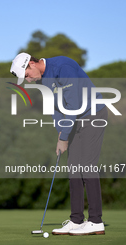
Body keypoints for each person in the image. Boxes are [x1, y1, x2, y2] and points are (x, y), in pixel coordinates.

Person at [10, 53, 108, 235]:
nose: (28, 81)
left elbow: (73, 104)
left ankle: (96, 221)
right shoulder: (42, 80)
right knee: (73, 168)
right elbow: (55, 109)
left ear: (31, 63)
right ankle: (76, 220)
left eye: (28, 75)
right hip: (76, 119)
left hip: (93, 114)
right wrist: (60, 135)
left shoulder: (63, 67)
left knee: (87, 166)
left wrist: (65, 137)